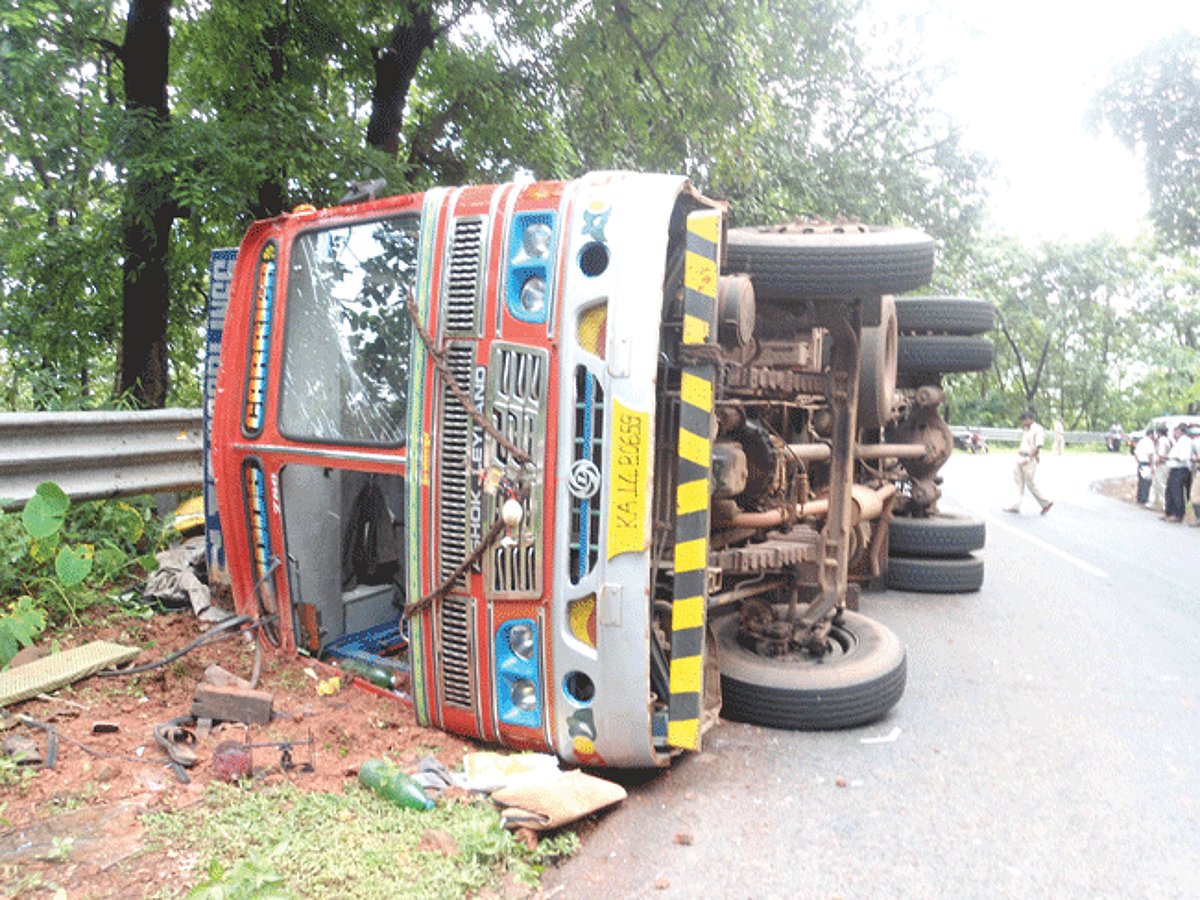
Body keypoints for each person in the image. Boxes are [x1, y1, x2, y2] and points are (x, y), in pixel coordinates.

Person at [1005, 409, 1053, 514]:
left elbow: (1038, 446)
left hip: (1029, 458)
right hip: (1020, 456)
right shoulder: (1026, 429)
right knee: (1018, 483)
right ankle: (1015, 506)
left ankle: (1046, 502)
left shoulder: (1038, 429)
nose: (1023, 422)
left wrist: (1029, 458)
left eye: (1024, 419)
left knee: (1030, 483)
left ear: (1030, 419)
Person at [1163, 423, 1194, 523]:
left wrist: (1171, 457)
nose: (1174, 433)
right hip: (1174, 468)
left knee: (1177, 492)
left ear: (1181, 431)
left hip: (1181, 468)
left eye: (1176, 431)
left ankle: (1178, 514)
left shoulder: (1186, 442)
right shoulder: (1178, 442)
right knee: (1170, 491)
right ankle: (1169, 512)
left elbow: (1184, 457)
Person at [1150, 424, 1171, 511]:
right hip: (1161, 464)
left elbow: (1161, 455)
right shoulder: (1165, 440)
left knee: (1161, 484)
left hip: (1161, 465)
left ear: (1159, 432)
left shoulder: (1162, 441)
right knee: (1155, 484)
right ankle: (1152, 501)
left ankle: (1165, 504)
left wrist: (1156, 464)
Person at [1133, 427, 1156, 507]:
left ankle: (1139, 498)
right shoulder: (1150, 442)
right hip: (1146, 463)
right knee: (1146, 483)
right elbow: (1150, 454)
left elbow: (1135, 453)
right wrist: (1151, 465)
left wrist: (1138, 461)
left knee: (1141, 481)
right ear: (1151, 434)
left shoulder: (1141, 441)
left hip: (1140, 463)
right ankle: (1144, 499)